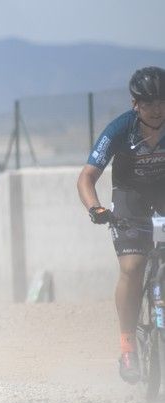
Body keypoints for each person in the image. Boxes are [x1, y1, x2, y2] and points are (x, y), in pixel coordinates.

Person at [77, 66, 165, 384]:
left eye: (162, 101)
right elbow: (86, 177)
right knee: (132, 266)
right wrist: (96, 208)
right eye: (149, 102)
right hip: (130, 199)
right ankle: (128, 347)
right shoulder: (119, 129)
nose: (157, 108)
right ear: (135, 104)